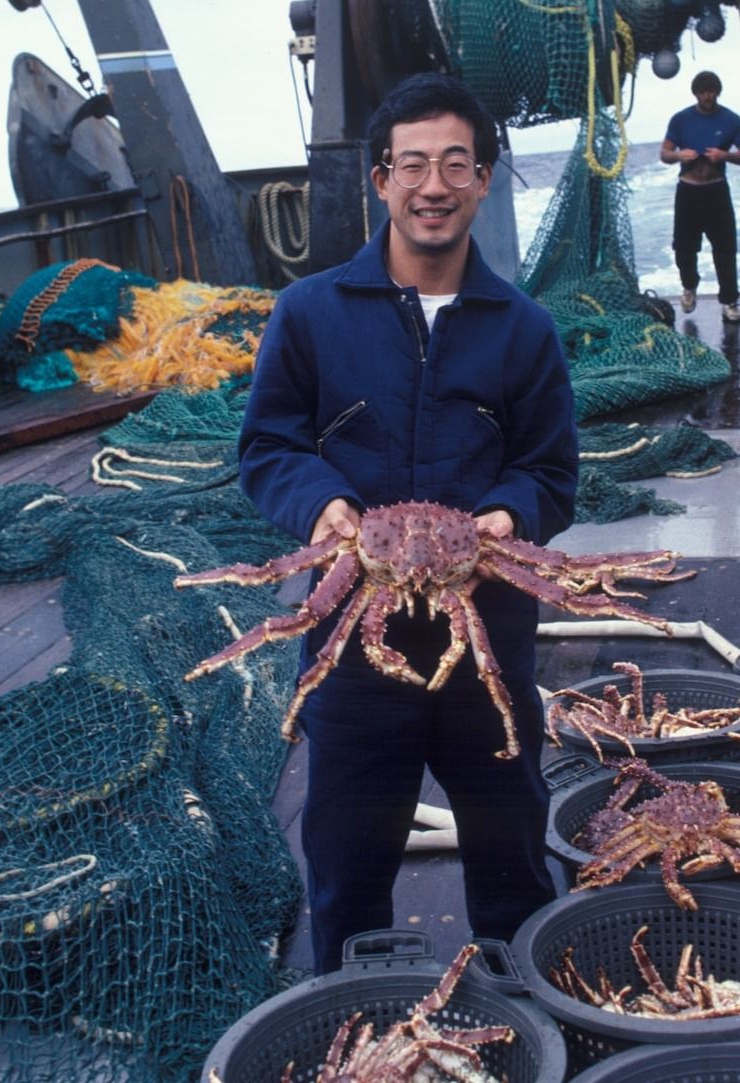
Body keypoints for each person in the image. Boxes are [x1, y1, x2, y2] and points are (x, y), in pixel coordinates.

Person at [237, 72, 577, 973]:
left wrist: (511, 512)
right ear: (380, 180)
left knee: (513, 864)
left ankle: (529, 1011)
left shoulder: (525, 328)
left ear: (484, 180)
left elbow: (551, 470)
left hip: (488, 642)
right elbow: (267, 445)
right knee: (345, 872)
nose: (434, 185)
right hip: (352, 647)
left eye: (455, 164)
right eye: (412, 164)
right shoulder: (309, 313)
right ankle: (350, 1013)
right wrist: (323, 503)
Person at [661, 70, 740, 323]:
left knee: (725, 247)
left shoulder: (731, 119)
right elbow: (665, 153)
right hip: (688, 191)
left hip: (716, 190)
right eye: (703, 92)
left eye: (712, 92)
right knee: (683, 247)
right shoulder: (680, 120)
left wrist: (726, 156)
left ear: (718, 92)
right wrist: (680, 156)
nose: (708, 97)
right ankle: (689, 286)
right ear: (696, 94)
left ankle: (730, 302)